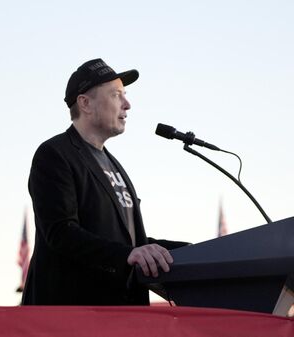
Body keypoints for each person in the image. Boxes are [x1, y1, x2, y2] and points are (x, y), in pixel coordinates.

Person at [21, 58, 188, 306]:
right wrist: (127, 254)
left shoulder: (115, 166)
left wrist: (194, 252)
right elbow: (61, 233)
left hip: (122, 314)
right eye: (116, 95)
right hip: (72, 315)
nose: (127, 104)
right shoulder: (55, 155)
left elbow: (130, 244)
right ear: (85, 103)